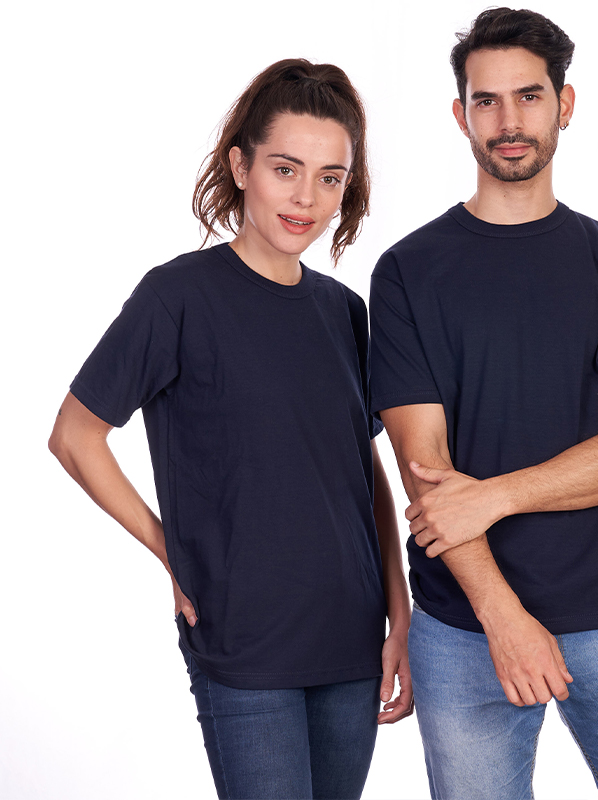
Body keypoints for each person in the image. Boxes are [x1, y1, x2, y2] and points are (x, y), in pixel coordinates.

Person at [368, 8, 598, 800]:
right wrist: (502, 615)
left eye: (529, 96)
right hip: (463, 622)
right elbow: (425, 471)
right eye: (486, 101)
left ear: (565, 104)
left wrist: (495, 496)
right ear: (461, 116)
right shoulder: (409, 272)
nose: (509, 121)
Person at [48, 58, 412, 800]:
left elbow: (361, 468)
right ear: (242, 167)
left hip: (351, 635)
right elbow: (75, 435)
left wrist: (399, 612)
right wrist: (169, 550)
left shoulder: (345, 312)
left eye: (330, 178)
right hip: (243, 635)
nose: (306, 197)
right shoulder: (178, 297)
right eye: (286, 169)